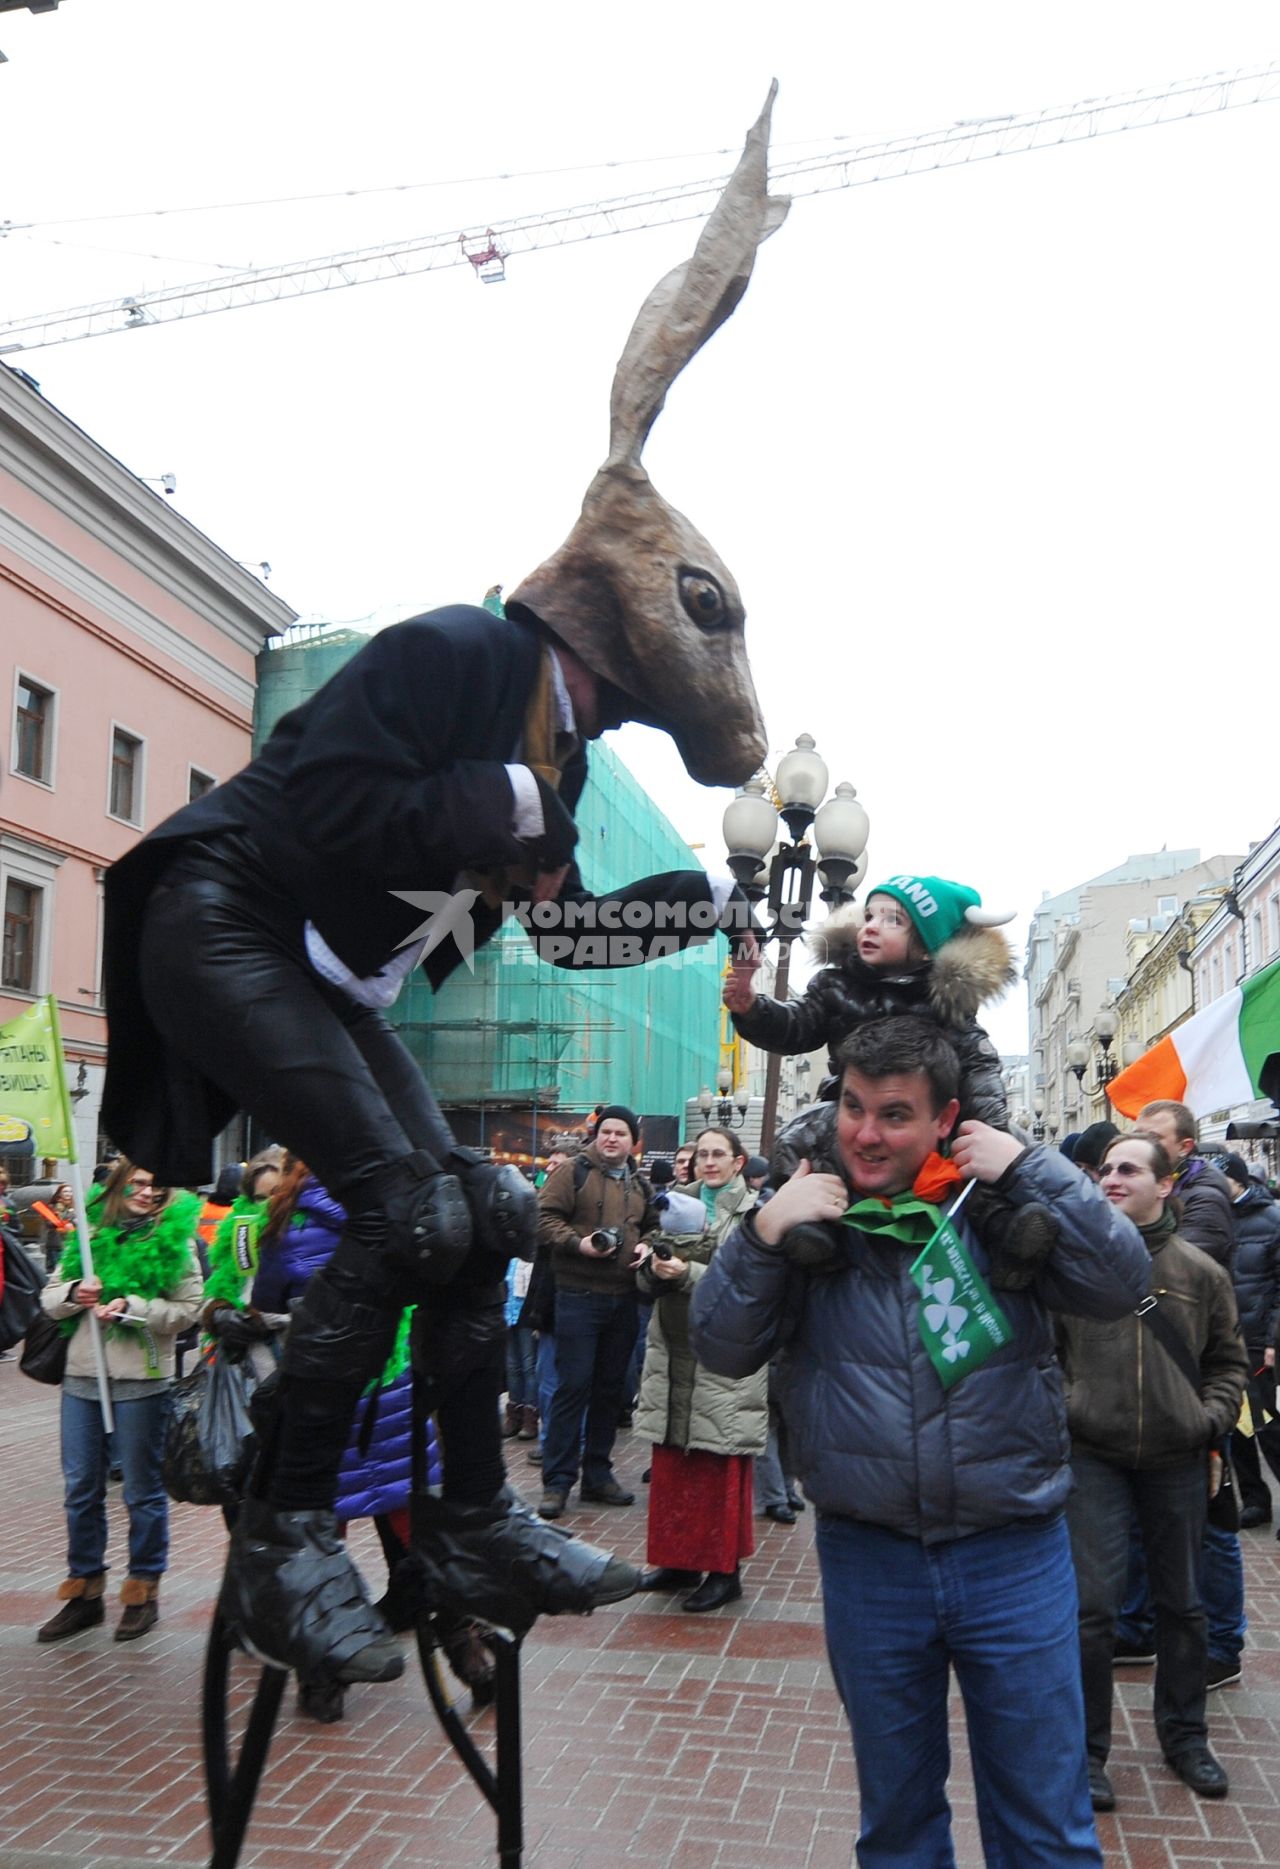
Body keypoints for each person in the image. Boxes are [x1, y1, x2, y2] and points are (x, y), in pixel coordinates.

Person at [96, 96, 783, 1688]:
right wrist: (514, 799)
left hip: (328, 976)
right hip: (226, 922)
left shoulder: (548, 746)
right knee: (410, 1207)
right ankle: (280, 1530)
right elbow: (321, 794)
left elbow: (550, 925)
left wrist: (696, 913)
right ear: (597, 643)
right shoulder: (460, 656)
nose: (604, 740)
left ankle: (471, 1516)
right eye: (610, 713)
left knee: (476, 1209)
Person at [691, 1016, 1150, 1867]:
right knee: (897, 1827)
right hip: (873, 1562)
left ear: (946, 1119)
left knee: (1046, 1828)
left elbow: (1123, 1282)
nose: (867, 1133)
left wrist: (1029, 1165)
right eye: (855, 1108)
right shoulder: (808, 1218)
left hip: (1014, 1553)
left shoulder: (1004, 1206)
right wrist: (760, 1236)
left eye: (895, 1114)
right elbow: (719, 1346)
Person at [1059, 1131, 1246, 1809]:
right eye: (1105, 1167)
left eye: (1128, 1168)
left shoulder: (1200, 1271)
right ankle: (1086, 1751)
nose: (1110, 1176)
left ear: (1166, 1184)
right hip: (1095, 1453)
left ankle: (1186, 1736)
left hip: (1176, 1455)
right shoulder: (1075, 1265)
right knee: (1092, 1610)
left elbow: (1229, 1360)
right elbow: (1043, 1354)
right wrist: (1070, 1401)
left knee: (1184, 1605)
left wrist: (1208, 1419)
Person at [36, 1162, 203, 1645]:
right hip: (82, 1377)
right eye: (139, 1182)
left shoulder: (176, 1242)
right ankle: (85, 1592)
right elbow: (48, 1299)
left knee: (142, 1491)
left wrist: (136, 1308)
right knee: (80, 1486)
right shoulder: (88, 1240)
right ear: (117, 1185)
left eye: (158, 1185)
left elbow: (189, 1310)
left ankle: (142, 1589)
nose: (148, 1192)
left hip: (142, 1380)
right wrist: (74, 1292)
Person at [1115, 1100, 1243, 1686]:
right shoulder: (1179, 1192)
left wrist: (1207, 1415)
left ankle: (1222, 1646)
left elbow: (1183, 1283)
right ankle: (1137, 1629)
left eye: (1150, 1137)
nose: (1138, 1141)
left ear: (1181, 1152)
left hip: (1189, 1392)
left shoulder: (1206, 1200)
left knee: (1214, 1528)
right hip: (1150, 1399)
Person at [722, 873, 1015, 1125]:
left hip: (918, 1130)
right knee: (797, 1137)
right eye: (870, 916)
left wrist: (987, 1131)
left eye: (893, 920)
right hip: (846, 1115)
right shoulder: (835, 985)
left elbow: (980, 1072)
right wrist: (754, 1009)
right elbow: (796, 1026)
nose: (872, 926)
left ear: (928, 947)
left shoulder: (945, 1006)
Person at [636, 1126, 763, 1611]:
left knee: (717, 1461)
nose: (709, 1162)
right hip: (672, 1347)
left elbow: (749, 1285)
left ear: (737, 1162)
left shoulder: (753, 1213)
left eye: (719, 1154)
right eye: (703, 1153)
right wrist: (650, 1265)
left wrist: (686, 1273)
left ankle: (723, 1572)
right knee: (673, 1463)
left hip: (722, 1353)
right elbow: (650, 1279)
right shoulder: (673, 1206)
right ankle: (678, 1561)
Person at [536, 1107, 657, 1518]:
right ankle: (557, 1482)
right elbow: (542, 1218)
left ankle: (597, 1476)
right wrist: (578, 1244)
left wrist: (647, 1245)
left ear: (632, 1141)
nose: (611, 1139)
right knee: (573, 1388)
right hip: (578, 1295)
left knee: (610, 1390)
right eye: (606, 1131)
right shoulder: (573, 1172)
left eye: (620, 1133)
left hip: (623, 1298)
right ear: (596, 1135)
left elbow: (654, 1227)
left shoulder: (641, 1183)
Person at [1220, 1152, 1280, 1529]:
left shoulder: (1272, 1220)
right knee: (1237, 1425)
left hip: (1261, 1341)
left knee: (1269, 1424)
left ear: (1239, 1182)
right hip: (1227, 1339)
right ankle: (1255, 1500)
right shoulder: (1217, 1218)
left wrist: (1274, 1339)